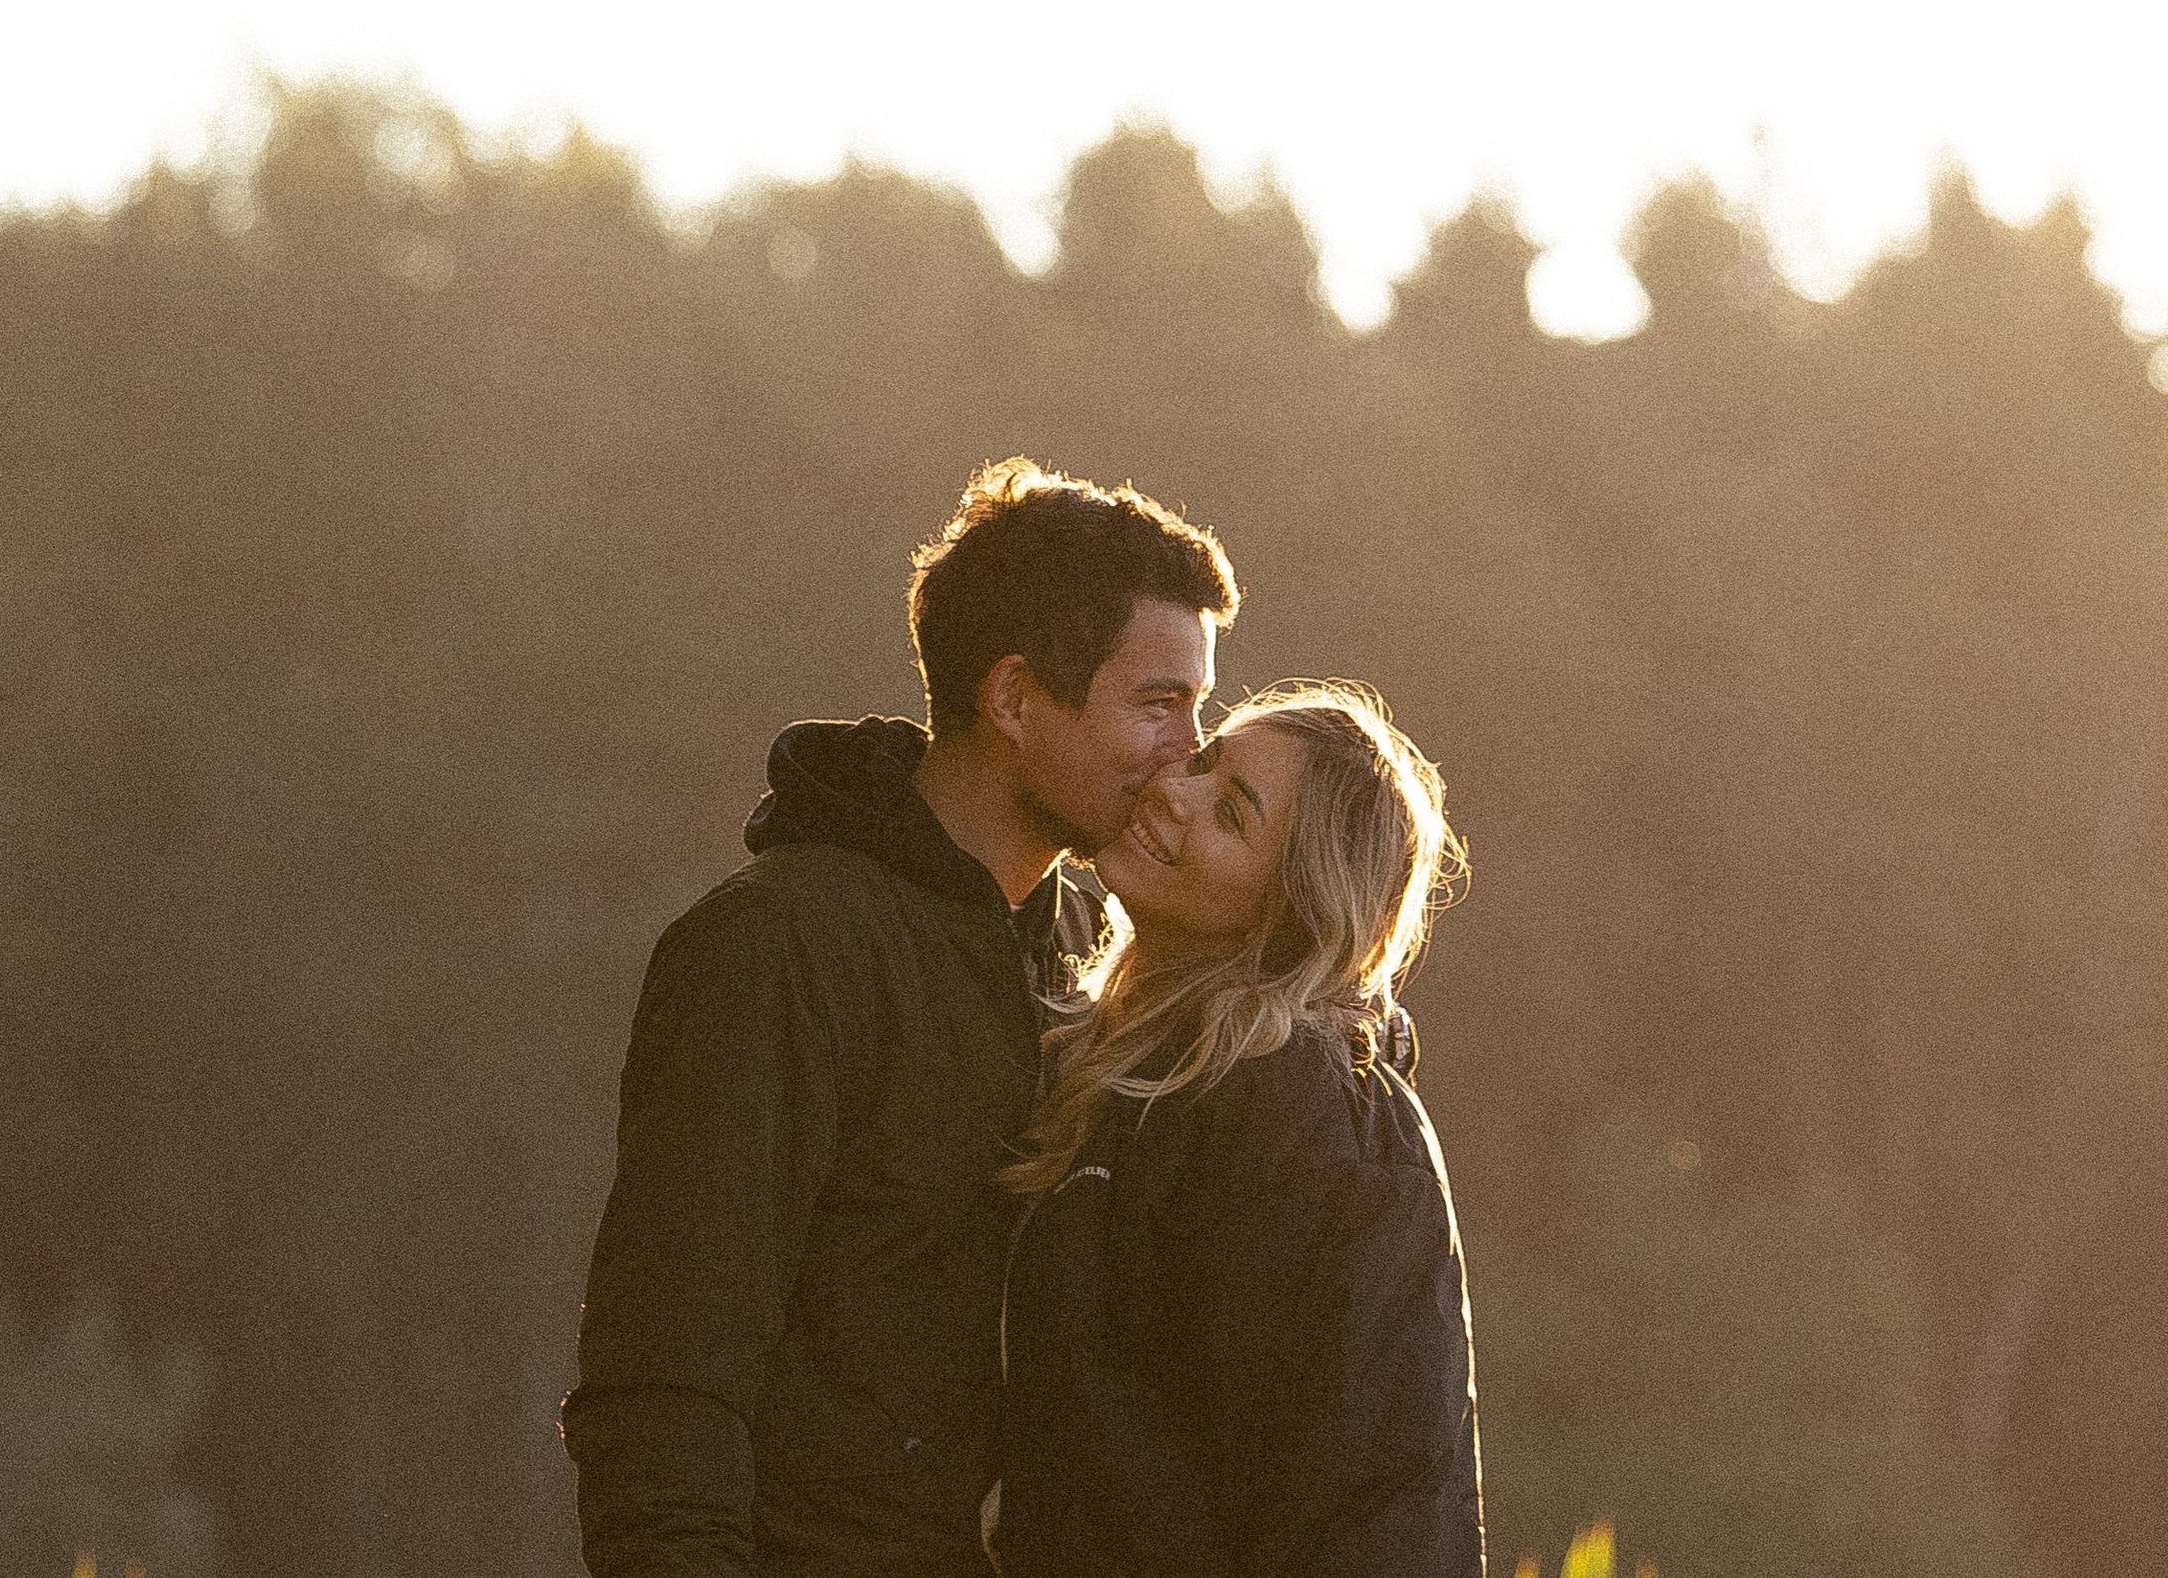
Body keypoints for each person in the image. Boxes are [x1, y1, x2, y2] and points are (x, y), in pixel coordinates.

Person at [562, 458, 1241, 1578]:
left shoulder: (1088, 950)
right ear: (1014, 699)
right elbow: (667, 1371)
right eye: (1158, 704)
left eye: (1198, 708)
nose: (1192, 750)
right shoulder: (779, 945)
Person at [992, 682, 1484, 1578]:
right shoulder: (1148, 1069)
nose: (1172, 791)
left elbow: (1356, 1497)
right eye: (1205, 761)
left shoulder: (1288, 1114)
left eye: (1230, 814)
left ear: (1290, 912)